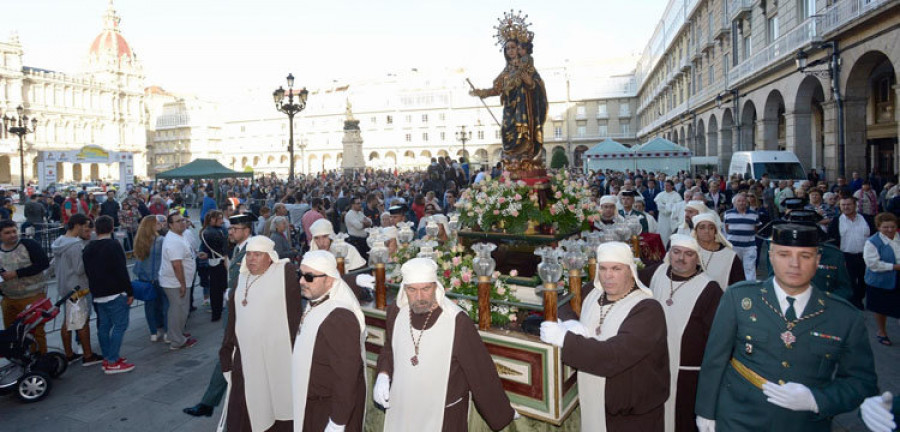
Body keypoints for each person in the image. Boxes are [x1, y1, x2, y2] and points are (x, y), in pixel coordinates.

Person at [695, 223, 878, 431]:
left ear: (818, 260)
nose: (794, 264)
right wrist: (706, 411)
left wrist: (817, 400)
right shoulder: (740, 298)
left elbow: (863, 382)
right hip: (738, 419)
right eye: (784, 254)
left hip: (803, 424)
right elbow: (714, 360)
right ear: (771, 257)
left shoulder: (844, 317)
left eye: (805, 256)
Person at [373, 258, 515, 431]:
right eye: (412, 290)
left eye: (426, 289)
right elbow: (390, 348)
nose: (419, 297)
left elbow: (481, 371)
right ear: (404, 289)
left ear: (436, 286)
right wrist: (383, 373)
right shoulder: (396, 312)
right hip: (404, 409)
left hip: (444, 417)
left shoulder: (457, 322)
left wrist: (502, 413)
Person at [541, 241, 669, 431]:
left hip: (632, 418)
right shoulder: (593, 293)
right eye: (603, 268)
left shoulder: (647, 309)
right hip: (594, 404)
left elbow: (614, 356)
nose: (608, 276)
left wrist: (566, 339)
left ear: (631, 271)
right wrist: (571, 323)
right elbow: (561, 302)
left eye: (616, 269)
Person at [639, 234, 722, 432]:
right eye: (676, 252)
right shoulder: (655, 274)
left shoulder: (710, 289)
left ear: (697, 258)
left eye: (688, 254)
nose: (681, 258)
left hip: (688, 377)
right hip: (652, 368)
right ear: (669, 253)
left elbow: (717, 340)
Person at [219, 236, 301, 432]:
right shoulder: (242, 277)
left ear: (270, 257)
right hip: (245, 356)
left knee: (277, 401)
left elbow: (295, 312)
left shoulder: (283, 273)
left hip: (276, 354)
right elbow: (233, 319)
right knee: (245, 405)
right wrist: (226, 349)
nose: (251, 259)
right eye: (248, 254)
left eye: (257, 254)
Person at [183, 213, 256, 418]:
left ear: (246, 231)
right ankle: (209, 403)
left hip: (243, 312)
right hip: (233, 310)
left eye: (234, 229)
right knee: (229, 354)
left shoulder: (253, 251)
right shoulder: (240, 248)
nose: (229, 231)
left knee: (229, 354)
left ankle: (212, 403)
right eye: (230, 228)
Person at [292, 251, 367, 431]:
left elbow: (347, 376)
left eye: (309, 277)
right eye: (300, 275)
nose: (302, 281)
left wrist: (338, 421)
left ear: (330, 280)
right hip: (312, 404)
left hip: (328, 410)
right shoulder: (318, 299)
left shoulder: (339, 317)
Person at [469, 23, 547, 172]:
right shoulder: (506, 70)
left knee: (522, 134)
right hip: (510, 107)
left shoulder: (527, 64)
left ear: (518, 48)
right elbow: (497, 89)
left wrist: (530, 82)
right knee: (507, 131)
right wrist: (482, 93)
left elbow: (537, 84)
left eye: (513, 47)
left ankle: (525, 160)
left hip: (524, 107)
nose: (510, 51)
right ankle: (512, 162)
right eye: (507, 48)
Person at [82, 215, 135, 374]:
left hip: (97, 293)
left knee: (104, 326)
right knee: (120, 325)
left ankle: (108, 357)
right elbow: (121, 270)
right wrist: (129, 291)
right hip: (115, 292)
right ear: (112, 228)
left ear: (95, 229)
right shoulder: (113, 245)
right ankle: (112, 361)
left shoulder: (88, 247)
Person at [50, 214, 102, 365]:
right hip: (77, 288)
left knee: (68, 322)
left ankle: (69, 354)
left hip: (64, 287)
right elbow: (80, 269)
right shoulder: (75, 245)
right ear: (78, 226)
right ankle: (88, 355)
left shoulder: (59, 241)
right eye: (85, 226)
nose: (87, 230)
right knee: (81, 323)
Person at [0, 219, 50, 353]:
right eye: (7, 233)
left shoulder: (29, 244)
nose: (12, 235)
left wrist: (16, 273)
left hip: (32, 297)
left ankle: (40, 360)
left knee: (36, 331)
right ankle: (19, 357)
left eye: (14, 231)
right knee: (13, 332)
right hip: (9, 298)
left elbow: (43, 263)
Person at [159, 210, 200, 350]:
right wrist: (182, 284)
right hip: (175, 282)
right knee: (180, 311)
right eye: (178, 221)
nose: (183, 223)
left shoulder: (179, 236)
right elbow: (176, 265)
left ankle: (174, 334)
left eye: (183, 220)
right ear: (170, 225)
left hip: (178, 281)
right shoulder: (174, 240)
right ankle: (177, 341)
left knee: (177, 310)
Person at [828, 196, 874, 309]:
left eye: (848, 204)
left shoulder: (867, 219)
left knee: (864, 280)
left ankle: (859, 298)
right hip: (846, 256)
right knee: (850, 281)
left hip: (865, 256)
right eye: (843, 205)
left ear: (855, 205)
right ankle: (855, 303)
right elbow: (832, 239)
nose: (846, 207)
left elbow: (874, 236)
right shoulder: (836, 221)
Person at [863, 212, 900, 346]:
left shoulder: (898, 238)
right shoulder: (872, 242)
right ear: (878, 227)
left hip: (897, 278)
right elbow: (873, 264)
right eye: (885, 227)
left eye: (892, 226)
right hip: (879, 280)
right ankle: (882, 331)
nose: (890, 230)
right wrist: (895, 267)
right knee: (881, 308)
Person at [132, 215, 168, 342]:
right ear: (152, 226)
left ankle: (153, 332)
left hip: (145, 279)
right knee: (165, 304)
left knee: (150, 306)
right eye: (157, 223)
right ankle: (167, 332)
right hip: (159, 277)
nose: (160, 224)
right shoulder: (160, 240)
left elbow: (137, 264)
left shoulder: (139, 240)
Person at [692, 213, 745, 289]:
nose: (707, 231)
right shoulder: (689, 252)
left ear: (716, 231)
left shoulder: (730, 256)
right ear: (695, 231)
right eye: (702, 227)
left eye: (711, 228)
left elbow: (739, 285)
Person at [200, 210, 229, 322]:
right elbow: (224, 247)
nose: (222, 221)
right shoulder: (212, 232)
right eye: (220, 218)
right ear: (212, 219)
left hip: (215, 261)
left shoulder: (209, 231)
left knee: (216, 290)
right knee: (220, 289)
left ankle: (216, 314)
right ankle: (219, 312)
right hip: (220, 262)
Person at [724, 192, 759, 280]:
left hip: (749, 246)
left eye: (743, 201)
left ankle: (751, 287)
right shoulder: (728, 214)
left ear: (747, 202)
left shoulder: (754, 214)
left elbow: (755, 229)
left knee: (750, 268)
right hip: (734, 246)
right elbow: (726, 228)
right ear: (734, 203)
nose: (741, 203)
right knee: (734, 268)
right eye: (739, 201)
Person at [655, 180, 683, 244]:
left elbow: (677, 206)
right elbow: (659, 206)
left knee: (670, 234)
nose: (666, 187)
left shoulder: (676, 195)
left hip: (672, 218)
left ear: (672, 186)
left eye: (668, 185)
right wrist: (669, 205)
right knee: (662, 234)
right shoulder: (660, 194)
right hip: (662, 218)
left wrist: (666, 205)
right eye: (665, 185)